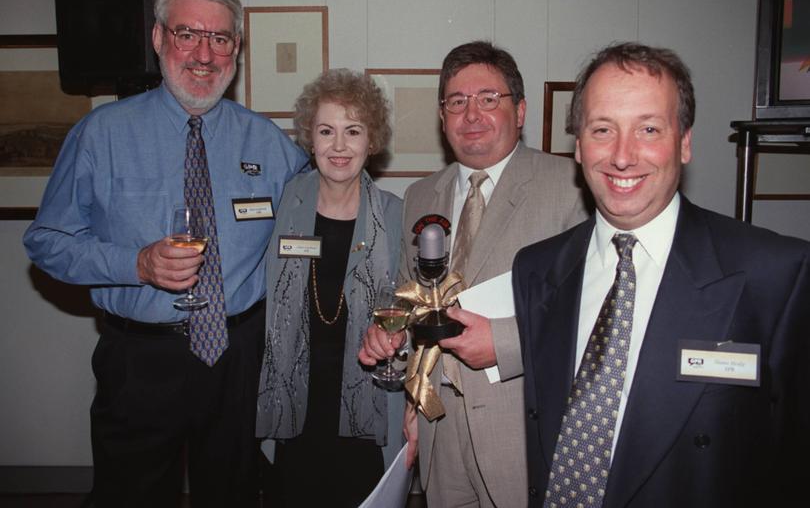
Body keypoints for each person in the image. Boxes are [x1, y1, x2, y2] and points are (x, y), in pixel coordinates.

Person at [23, 0, 309, 507]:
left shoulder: (270, 144)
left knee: (234, 493)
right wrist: (135, 264)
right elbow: (46, 240)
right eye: (187, 34)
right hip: (139, 359)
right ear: (158, 39)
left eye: (219, 39)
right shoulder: (101, 134)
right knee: (129, 494)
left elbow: (320, 220)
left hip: (238, 355)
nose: (204, 54)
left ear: (236, 50)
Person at [513, 42, 810, 507]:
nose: (623, 156)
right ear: (578, 145)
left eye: (648, 128)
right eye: (602, 129)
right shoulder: (536, 270)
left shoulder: (774, 275)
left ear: (685, 142)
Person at [360, 41, 588, 507]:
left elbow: (592, 314)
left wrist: (504, 344)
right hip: (438, 426)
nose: (472, 114)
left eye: (489, 99)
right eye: (456, 102)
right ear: (442, 117)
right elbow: (413, 299)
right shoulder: (421, 196)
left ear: (520, 111)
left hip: (523, 426)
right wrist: (394, 341)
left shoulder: (571, 188)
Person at [255, 68, 404, 507]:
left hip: (365, 400)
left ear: (371, 141)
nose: (339, 146)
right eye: (326, 131)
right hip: (295, 397)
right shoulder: (281, 205)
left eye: (352, 131)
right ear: (310, 139)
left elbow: (413, 311)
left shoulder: (396, 216)